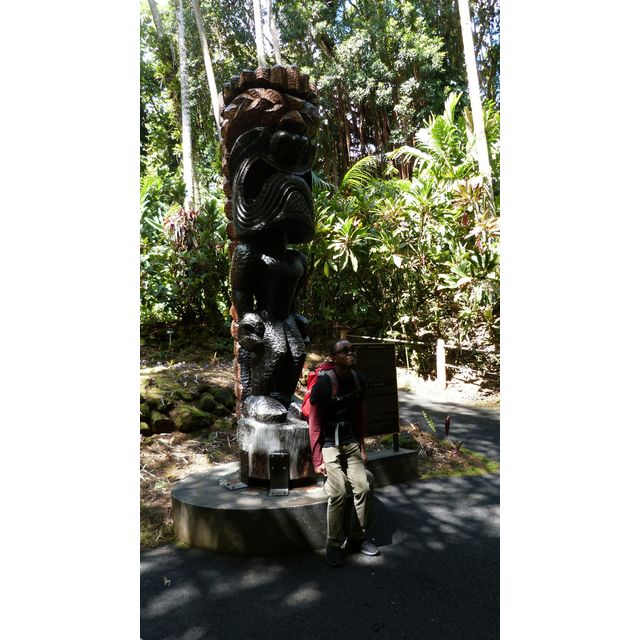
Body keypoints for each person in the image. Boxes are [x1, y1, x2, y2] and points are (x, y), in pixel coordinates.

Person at [308, 339, 379, 566]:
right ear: (333, 357)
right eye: (344, 351)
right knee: (338, 491)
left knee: (364, 487)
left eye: (352, 349)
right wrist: (317, 459)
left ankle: (357, 538)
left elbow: (358, 417)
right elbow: (314, 423)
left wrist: (362, 448)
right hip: (329, 444)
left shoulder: (359, 381)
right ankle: (333, 543)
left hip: (349, 442)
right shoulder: (324, 384)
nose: (351, 353)